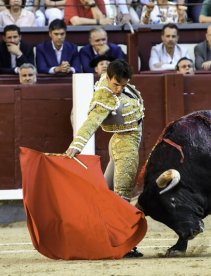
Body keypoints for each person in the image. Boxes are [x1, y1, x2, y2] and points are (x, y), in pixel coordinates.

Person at [65, 60, 144, 258]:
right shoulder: (105, 96)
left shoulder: (111, 80)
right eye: (116, 84)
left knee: (105, 192)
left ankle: (92, 235)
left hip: (120, 142)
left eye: (123, 85)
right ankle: (125, 244)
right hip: (125, 145)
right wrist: (76, 146)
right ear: (108, 78)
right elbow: (91, 122)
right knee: (122, 196)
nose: (118, 90)